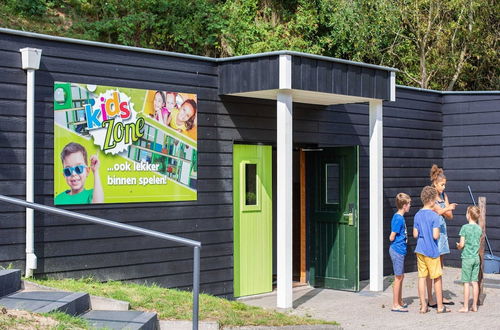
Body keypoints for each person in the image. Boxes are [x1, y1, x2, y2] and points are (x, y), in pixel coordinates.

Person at [413, 186, 450, 313]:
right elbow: (435, 235)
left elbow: (415, 234)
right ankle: (440, 306)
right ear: (431, 201)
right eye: (435, 200)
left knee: (422, 277)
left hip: (420, 250)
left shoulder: (417, 215)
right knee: (437, 278)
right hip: (432, 251)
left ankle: (423, 306)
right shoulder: (434, 216)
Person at [427, 164, 457, 307]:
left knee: (440, 266)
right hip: (434, 232)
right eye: (441, 185)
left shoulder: (444, 195)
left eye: (445, 185)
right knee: (431, 266)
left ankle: (439, 295)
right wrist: (446, 208)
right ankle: (430, 298)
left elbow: (450, 215)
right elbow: (438, 209)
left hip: (443, 233)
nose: (444, 187)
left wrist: (446, 209)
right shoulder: (431, 196)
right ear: (435, 183)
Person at [456, 206, 482, 313]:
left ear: (469, 215)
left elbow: (462, 244)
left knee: (466, 282)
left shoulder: (464, 228)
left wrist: (458, 246)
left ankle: (465, 306)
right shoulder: (479, 228)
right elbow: (479, 243)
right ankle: (474, 305)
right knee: (475, 282)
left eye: (466, 212)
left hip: (467, 258)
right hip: (476, 258)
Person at [389, 193, 411, 312]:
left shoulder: (400, 217)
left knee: (401, 276)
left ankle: (400, 300)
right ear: (404, 205)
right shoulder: (398, 218)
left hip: (400, 250)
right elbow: (391, 237)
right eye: (409, 204)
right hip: (397, 250)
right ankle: (395, 304)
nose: (410, 206)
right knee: (398, 277)